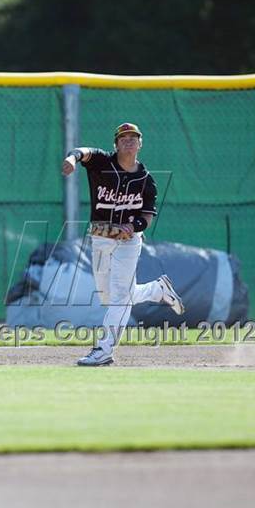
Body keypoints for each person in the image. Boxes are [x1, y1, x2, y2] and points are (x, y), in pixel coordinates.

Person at [62, 122, 184, 366]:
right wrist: (73, 160)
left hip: (128, 243)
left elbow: (147, 217)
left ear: (140, 144)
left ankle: (104, 350)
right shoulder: (102, 163)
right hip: (100, 238)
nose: (128, 140)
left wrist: (134, 227)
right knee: (110, 297)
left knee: (119, 297)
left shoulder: (146, 180)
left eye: (133, 137)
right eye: (123, 137)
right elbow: (82, 151)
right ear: (115, 144)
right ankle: (157, 290)